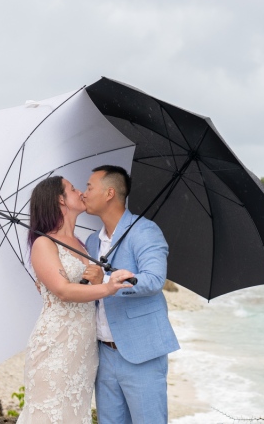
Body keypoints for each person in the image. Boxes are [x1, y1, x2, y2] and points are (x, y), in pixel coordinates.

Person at [18, 175, 133, 424]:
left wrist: (97, 279)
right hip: (56, 345)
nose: (80, 191)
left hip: (83, 350)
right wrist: (107, 287)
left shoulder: (83, 245)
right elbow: (63, 290)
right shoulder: (43, 243)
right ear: (61, 199)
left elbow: (83, 291)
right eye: (73, 188)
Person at [82, 165, 180, 424]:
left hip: (142, 353)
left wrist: (105, 280)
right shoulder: (92, 242)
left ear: (109, 193)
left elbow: (154, 279)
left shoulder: (145, 231)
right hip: (103, 355)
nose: (84, 193)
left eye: (90, 187)